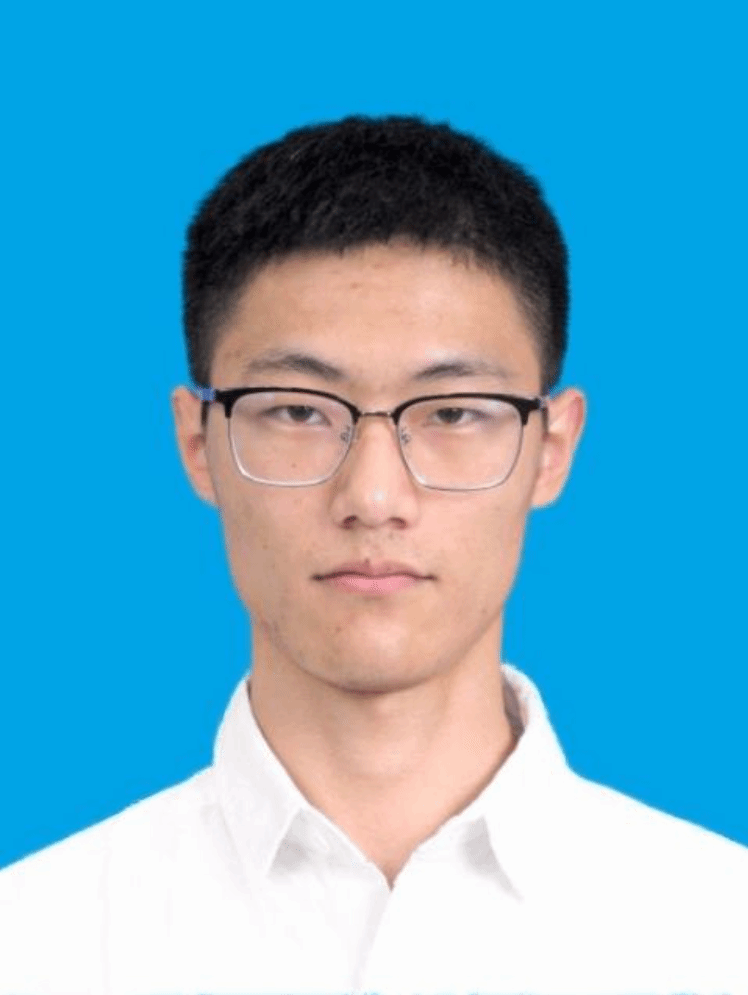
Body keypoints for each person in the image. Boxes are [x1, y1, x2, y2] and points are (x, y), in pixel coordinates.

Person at [0, 114, 745, 995]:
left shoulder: (718, 932)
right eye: (298, 410)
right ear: (199, 442)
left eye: (454, 412)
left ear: (551, 448)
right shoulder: (35, 939)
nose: (375, 497)